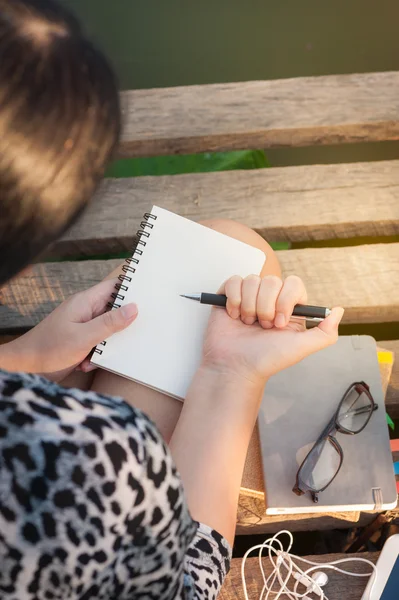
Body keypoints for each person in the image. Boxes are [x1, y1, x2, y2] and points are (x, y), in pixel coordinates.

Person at [0, 1, 344, 598]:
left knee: (230, 248)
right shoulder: (98, 450)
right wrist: (230, 375)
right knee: (237, 252)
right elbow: (185, 583)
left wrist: (24, 358)